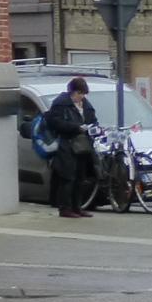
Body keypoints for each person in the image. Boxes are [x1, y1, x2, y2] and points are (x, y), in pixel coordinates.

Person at [43, 76, 99, 218]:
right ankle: (65, 208)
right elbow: (55, 122)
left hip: (82, 145)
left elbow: (93, 120)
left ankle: (77, 207)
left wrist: (93, 128)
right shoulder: (61, 104)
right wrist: (75, 127)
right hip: (66, 144)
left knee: (80, 177)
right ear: (72, 92)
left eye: (83, 94)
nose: (81, 97)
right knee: (67, 177)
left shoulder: (86, 105)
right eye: (79, 93)